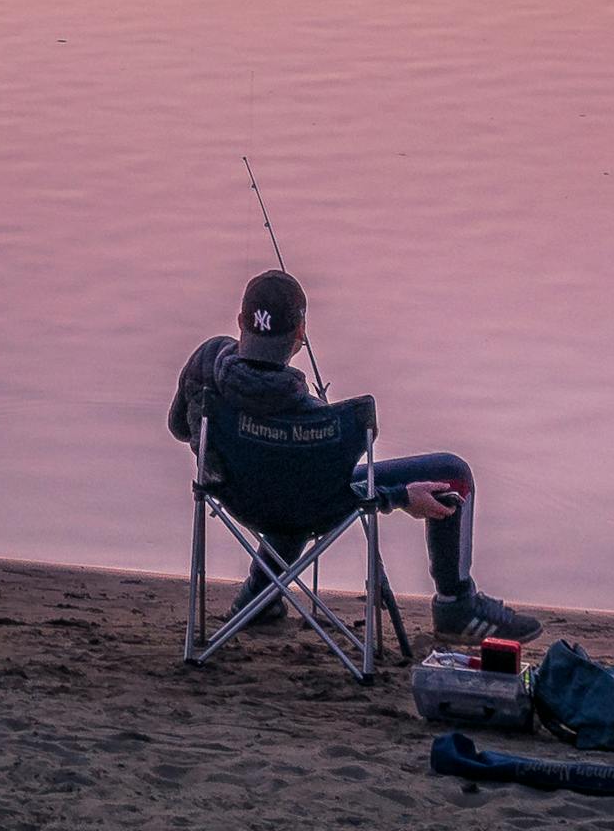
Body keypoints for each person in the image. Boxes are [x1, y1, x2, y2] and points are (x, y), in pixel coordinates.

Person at [170, 268, 522, 638]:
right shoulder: (315, 417)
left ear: (241, 320)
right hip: (306, 505)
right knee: (453, 472)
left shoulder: (206, 360)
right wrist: (400, 496)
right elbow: (338, 495)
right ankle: (456, 606)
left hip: (235, 494)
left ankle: (257, 601)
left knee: (285, 485)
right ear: (300, 334)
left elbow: (179, 428)